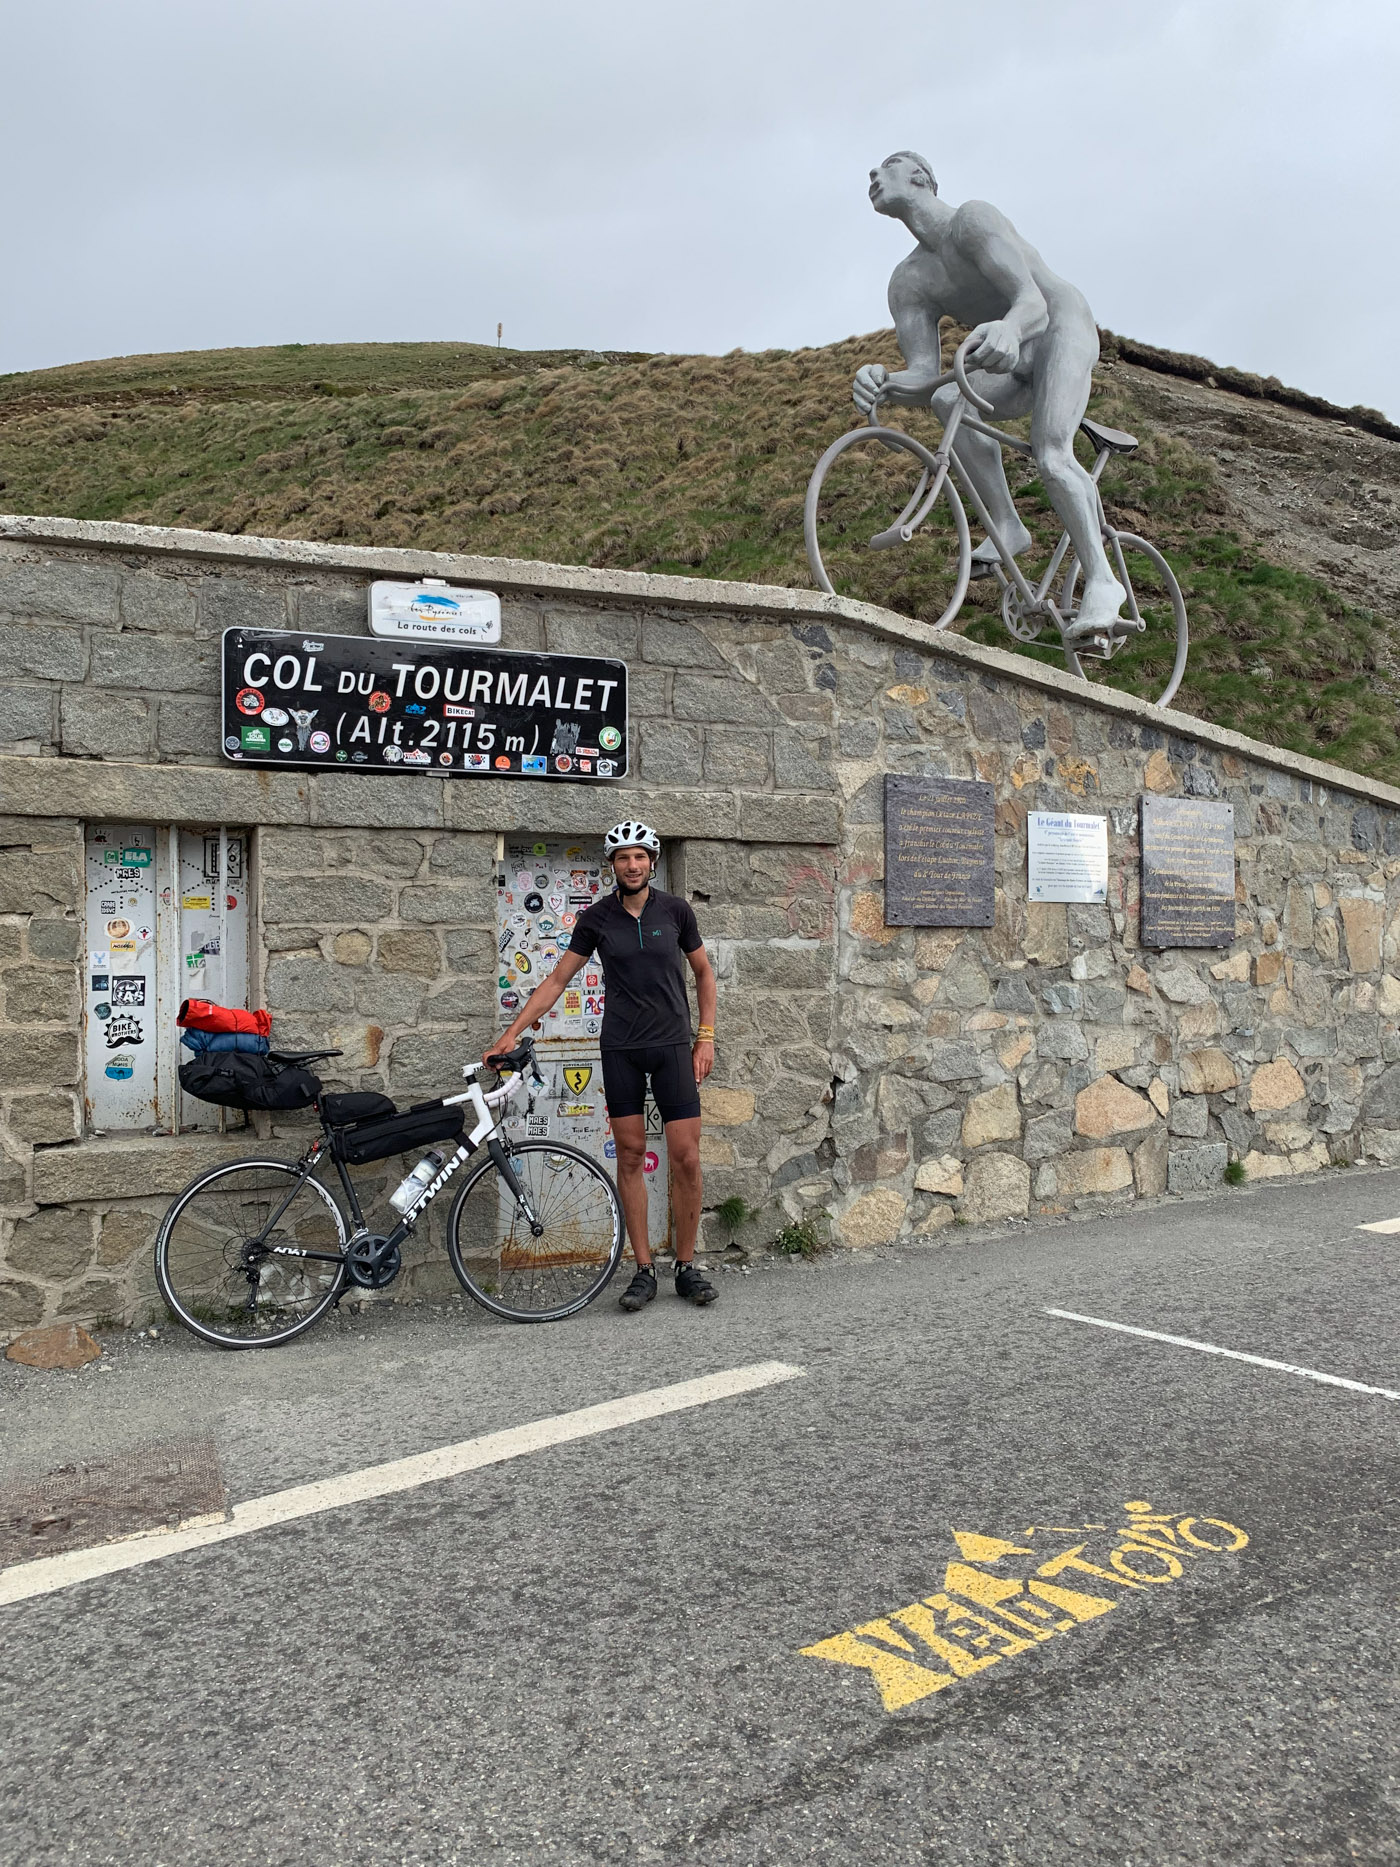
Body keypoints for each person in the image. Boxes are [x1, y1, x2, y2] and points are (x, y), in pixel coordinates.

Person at [853, 149, 1126, 642]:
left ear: (919, 177)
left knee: (1051, 454)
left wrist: (1008, 328)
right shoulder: (908, 281)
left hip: (1058, 326)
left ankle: (1104, 582)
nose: (873, 173)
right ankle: (1006, 523)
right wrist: (884, 382)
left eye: (887, 165)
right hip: (1009, 354)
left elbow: (1033, 303)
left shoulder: (972, 221)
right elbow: (925, 377)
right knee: (946, 401)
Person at [484, 821, 719, 1311]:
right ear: (611, 865)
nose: (632, 865)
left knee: (686, 1157)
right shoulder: (597, 918)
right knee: (630, 1155)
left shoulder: (676, 911)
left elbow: (703, 973)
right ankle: (643, 1269)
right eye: (623, 858)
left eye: (640, 857)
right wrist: (512, 1032)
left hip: (673, 1047)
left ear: (652, 862)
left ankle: (686, 1265)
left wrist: (706, 1037)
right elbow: (557, 980)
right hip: (621, 1049)